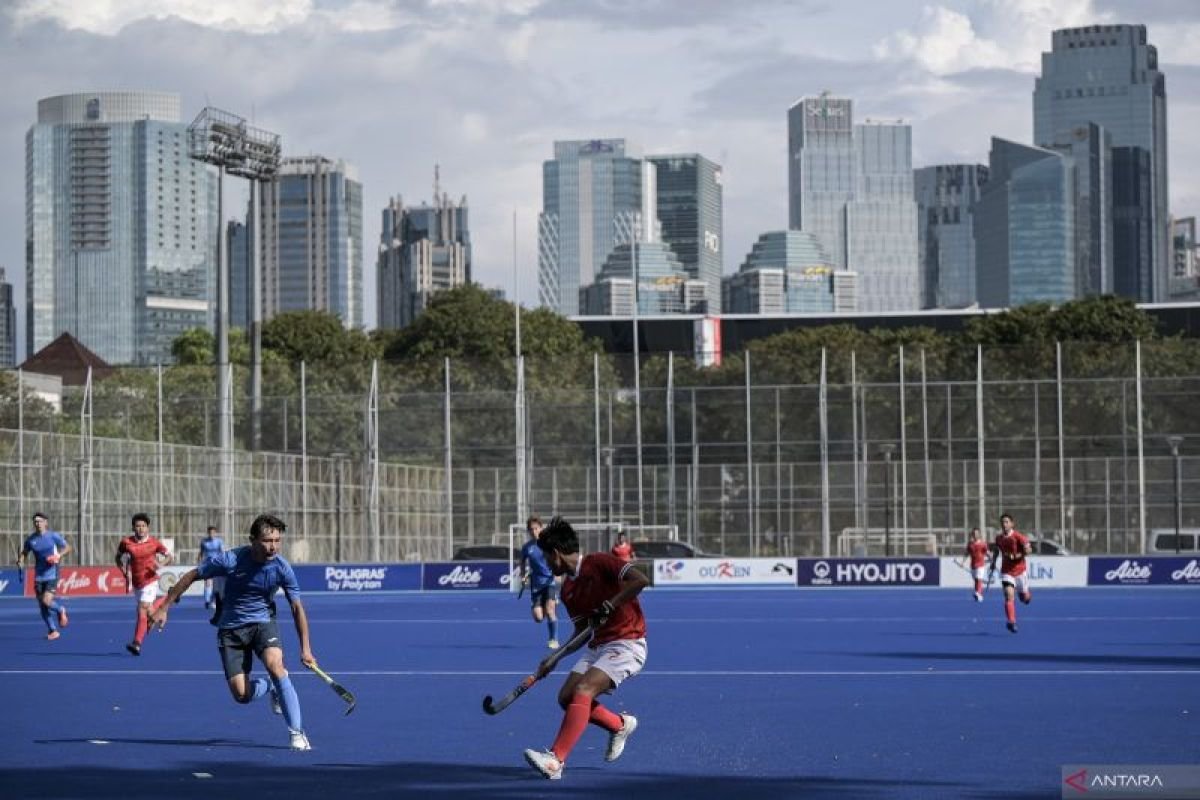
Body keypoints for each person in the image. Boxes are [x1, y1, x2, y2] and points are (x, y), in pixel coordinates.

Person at [150, 514, 315, 751]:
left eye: (278, 540)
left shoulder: (282, 568)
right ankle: (271, 686)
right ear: (253, 540)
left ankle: (296, 733)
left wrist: (306, 649)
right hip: (231, 630)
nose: (274, 546)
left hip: (263, 623)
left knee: (275, 665)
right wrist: (164, 606)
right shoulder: (230, 560)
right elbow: (193, 575)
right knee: (241, 695)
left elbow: (297, 607)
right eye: (267, 541)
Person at [523, 517, 649, 781]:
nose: (546, 564)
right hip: (599, 645)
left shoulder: (599, 562)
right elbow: (582, 632)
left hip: (628, 642)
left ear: (556, 554)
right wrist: (555, 657)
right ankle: (620, 725)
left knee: (584, 689)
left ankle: (555, 760)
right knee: (566, 698)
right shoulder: (568, 589)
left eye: (546, 558)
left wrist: (612, 603)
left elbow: (640, 580)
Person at [115, 513, 172, 656]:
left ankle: (137, 643)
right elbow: (118, 558)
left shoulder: (154, 543)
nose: (140, 528)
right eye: (138, 526)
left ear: (148, 528)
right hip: (137, 583)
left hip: (150, 581)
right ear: (133, 528)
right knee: (150, 613)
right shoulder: (126, 542)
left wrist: (160, 564)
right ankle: (167, 600)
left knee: (142, 608)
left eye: (143, 526)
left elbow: (169, 556)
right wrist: (124, 571)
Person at [17, 513, 71, 641]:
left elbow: (68, 547)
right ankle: (53, 630)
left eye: (40, 521)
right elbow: (24, 553)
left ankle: (60, 610)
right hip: (39, 576)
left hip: (52, 573)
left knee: (46, 601)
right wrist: (21, 560)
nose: (37, 523)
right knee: (42, 606)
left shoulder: (53, 536)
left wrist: (58, 555)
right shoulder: (31, 540)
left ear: (45, 522)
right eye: (35, 521)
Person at [520, 515, 560, 649]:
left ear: (541, 528)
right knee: (538, 618)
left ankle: (553, 639)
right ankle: (545, 605)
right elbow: (522, 562)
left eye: (536, 528)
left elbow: (557, 559)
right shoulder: (527, 547)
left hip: (549, 582)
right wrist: (523, 575)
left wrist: (557, 572)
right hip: (536, 585)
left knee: (550, 611)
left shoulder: (549, 544)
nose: (534, 531)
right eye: (531, 529)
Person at [989, 513, 1032, 633]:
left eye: (1007, 522)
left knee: (1025, 599)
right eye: (1002, 522)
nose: (1004, 524)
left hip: (1020, 571)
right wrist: (993, 562)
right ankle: (1011, 622)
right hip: (1007, 571)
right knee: (1008, 595)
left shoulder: (1019, 537)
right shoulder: (999, 538)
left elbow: (1029, 550)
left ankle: (1025, 595)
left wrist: (1017, 555)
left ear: (1012, 524)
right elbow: (996, 551)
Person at [198, 525, 226, 617]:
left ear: (215, 533)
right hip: (207, 564)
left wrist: (224, 562)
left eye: (213, 532)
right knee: (208, 582)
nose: (211, 534)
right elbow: (201, 553)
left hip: (217, 564)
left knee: (217, 584)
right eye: (210, 532)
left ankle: (213, 600)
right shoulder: (204, 542)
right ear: (208, 533)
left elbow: (222, 552)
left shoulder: (219, 541)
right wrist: (200, 563)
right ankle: (207, 601)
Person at [963, 527, 989, 602]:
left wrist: (990, 558)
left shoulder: (983, 544)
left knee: (979, 578)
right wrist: (962, 562)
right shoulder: (970, 544)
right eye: (974, 534)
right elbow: (967, 553)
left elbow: (987, 552)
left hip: (981, 564)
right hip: (973, 565)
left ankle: (978, 593)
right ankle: (979, 595)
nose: (975, 535)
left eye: (977, 533)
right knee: (976, 580)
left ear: (979, 534)